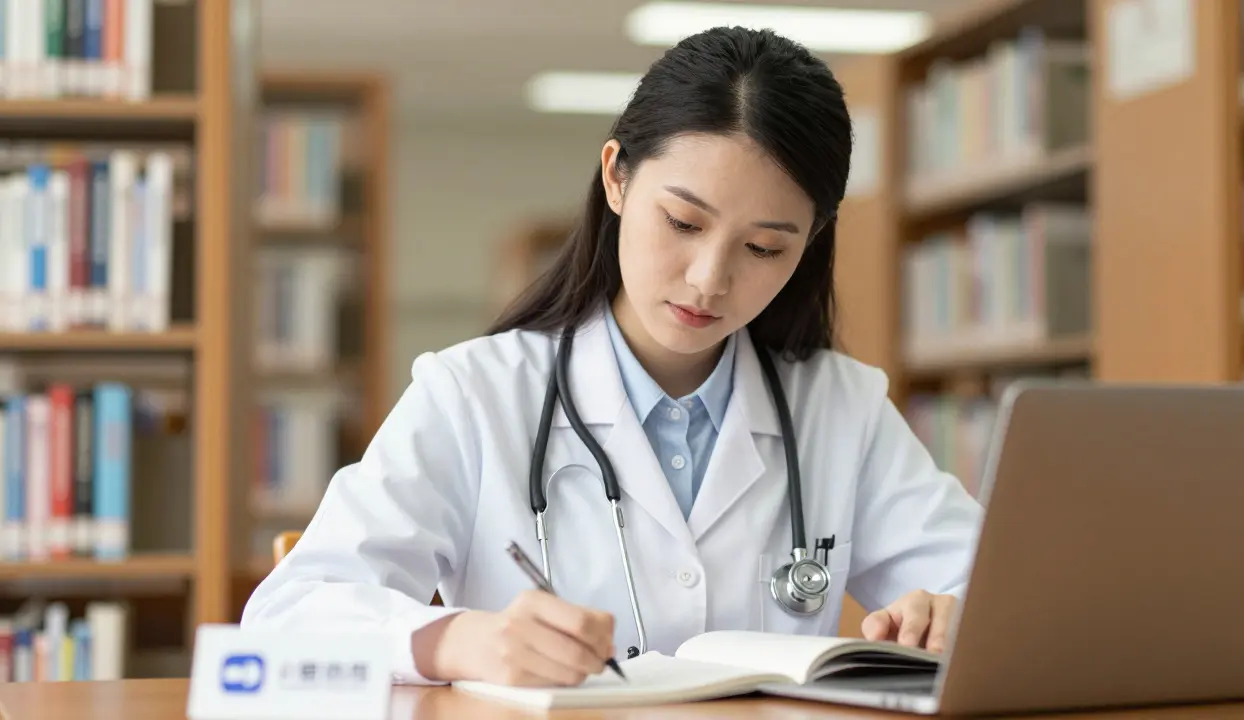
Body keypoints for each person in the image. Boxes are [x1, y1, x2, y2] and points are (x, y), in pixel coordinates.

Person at [240, 26, 984, 689]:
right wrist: (460, 641)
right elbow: (292, 613)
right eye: (684, 222)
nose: (709, 279)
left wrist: (946, 613)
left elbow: (1005, 593)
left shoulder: (840, 407)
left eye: (764, 248)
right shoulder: (472, 394)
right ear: (616, 177)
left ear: (811, 241)